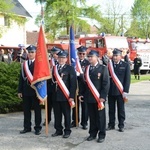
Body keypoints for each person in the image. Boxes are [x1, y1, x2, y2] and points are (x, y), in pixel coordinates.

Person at [79, 50, 110, 143]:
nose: (89, 58)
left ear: (97, 57)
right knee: (92, 117)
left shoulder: (103, 68)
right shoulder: (87, 69)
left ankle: (101, 135)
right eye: (88, 57)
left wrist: (103, 96)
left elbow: (106, 84)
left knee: (100, 117)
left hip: (99, 98)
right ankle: (92, 133)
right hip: (89, 97)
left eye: (91, 56)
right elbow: (83, 83)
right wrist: (81, 94)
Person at [51, 50, 77, 138]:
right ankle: (58, 130)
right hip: (55, 96)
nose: (61, 59)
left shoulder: (70, 68)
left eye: (63, 58)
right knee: (57, 114)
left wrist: (72, 96)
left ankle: (67, 130)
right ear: (57, 58)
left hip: (65, 96)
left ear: (66, 59)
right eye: (60, 58)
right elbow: (51, 82)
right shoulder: (54, 68)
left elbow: (73, 84)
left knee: (66, 114)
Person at [18, 45, 42, 135]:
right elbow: (21, 78)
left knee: (37, 110)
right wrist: (19, 90)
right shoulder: (24, 64)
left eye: (32, 52)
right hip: (26, 90)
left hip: (36, 91)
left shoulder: (39, 64)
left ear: (36, 53)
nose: (31, 54)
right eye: (29, 52)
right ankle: (27, 127)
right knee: (26, 110)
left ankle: (37, 128)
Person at [107, 48, 131, 132]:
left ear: (120, 56)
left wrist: (125, 91)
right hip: (111, 91)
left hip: (120, 91)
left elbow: (127, 79)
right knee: (111, 109)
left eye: (116, 55)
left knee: (121, 109)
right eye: (114, 55)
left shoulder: (125, 65)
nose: (115, 57)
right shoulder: (109, 65)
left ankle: (121, 125)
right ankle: (111, 124)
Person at [71, 46, 90, 129]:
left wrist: (81, 75)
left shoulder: (88, 63)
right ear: (77, 54)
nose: (81, 55)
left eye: (83, 53)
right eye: (80, 53)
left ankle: (84, 122)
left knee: (85, 107)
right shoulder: (74, 62)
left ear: (85, 54)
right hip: (75, 87)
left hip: (84, 88)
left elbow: (88, 76)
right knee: (75, 106)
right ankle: (75, 121)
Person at [43, 46, 61, 126]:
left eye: (56, 53)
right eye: (53, 53)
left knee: (57, 106)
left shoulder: (61, 63)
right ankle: (47, 119)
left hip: (58, 87)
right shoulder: (48, 63)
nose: (55, 55)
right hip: (49, 86)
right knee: (48, 104)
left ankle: (58, 121)